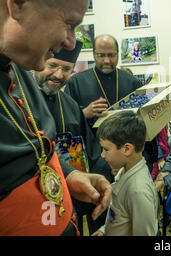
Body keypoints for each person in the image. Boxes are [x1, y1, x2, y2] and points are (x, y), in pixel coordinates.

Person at [0, 0, 111, 236]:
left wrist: (70, 175)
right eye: (69, 24)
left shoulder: (19, 66)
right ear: (18, 1)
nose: (71, 42)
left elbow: (36, 152)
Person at [32, 40, 113, 234]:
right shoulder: (19, 98)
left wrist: (105, 177)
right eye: (52, 66)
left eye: (66, 69)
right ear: (39, 61)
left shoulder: (70, 105)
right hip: (33, 196)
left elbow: (91, 151)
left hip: (71, 193)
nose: (59, 75)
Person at [93, 111, 158, 236]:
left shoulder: (138, 191)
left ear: (127, 149)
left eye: (106, 149)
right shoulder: (123, 170)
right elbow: (118, 215)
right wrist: (104, 230)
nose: (102, 155)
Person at [64, 34, 142, 131]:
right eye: (101, 55)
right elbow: (65, 121)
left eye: (111, 55)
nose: (107, 61)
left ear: (118, 54)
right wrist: (83, 114)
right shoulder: (76, 82)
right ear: (94, 54)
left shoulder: (133, 82)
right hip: (91, 144)